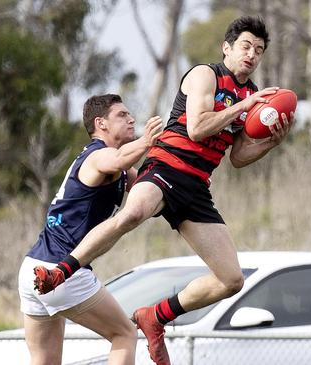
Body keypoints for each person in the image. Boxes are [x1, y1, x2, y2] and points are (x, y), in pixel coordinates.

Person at [33, 16, 293, 365]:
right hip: (166, 166)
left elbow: (239, 157)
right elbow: (199, 128)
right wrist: (244, 107)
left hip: (197, 186)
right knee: (134, 213)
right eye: (246, 46)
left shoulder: (251, 94)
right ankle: (61, 270)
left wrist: (271, 143)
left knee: (231, 280)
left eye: (259, 50)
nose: (252, 55)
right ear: (227, 47)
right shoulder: (206, 75)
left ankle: (156, 316)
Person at [19, 94, 163, 365]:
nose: (131, 119)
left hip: (32, 268)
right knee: (125, 334)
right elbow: (117, 159)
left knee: (45, 362)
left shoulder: (120, 168)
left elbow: (148, 190)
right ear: (101, 123)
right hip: (61, 269)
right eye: (122, 115)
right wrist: (146, 141)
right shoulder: (98, 156)